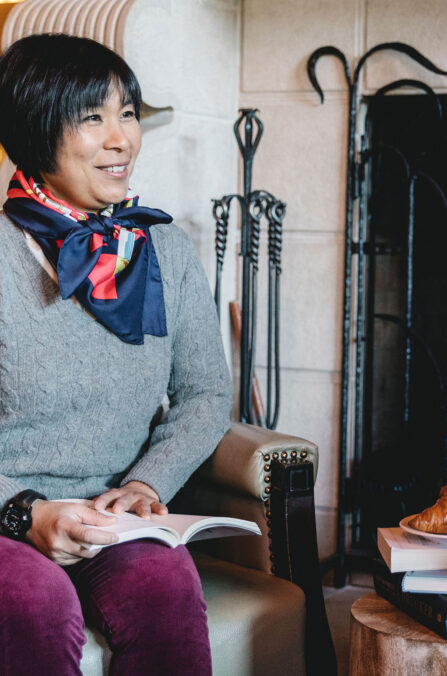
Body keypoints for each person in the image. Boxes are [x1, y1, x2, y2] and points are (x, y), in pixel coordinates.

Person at [0, 34, 232, 675]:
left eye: (127, 113)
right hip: (6, 510)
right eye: (91, 117)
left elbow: (206, 393)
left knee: (167, 590)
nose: (121, 139)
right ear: (35, 129)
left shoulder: (166, 249)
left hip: (113, 514)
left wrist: (144, 484)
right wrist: (26, 512)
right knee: (34, 601)